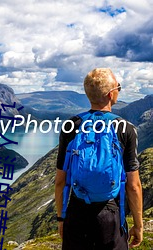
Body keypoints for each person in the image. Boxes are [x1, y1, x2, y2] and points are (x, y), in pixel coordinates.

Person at [55, 68, 143, 250]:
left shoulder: (71, 125)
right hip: (110, 215)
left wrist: (61, 218)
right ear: (111, 94)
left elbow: (60, 181)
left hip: (77, 212)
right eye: (119, 87)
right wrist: (138, 225)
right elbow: (133, 185)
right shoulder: (125, 129)